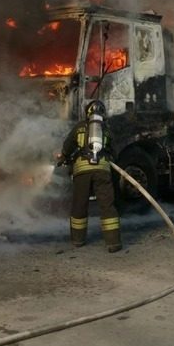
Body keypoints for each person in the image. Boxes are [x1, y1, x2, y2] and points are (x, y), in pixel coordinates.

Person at [59, 100, 122, 252]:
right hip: (102, 170)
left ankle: (78, 240)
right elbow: (115, 152)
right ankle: (113, 243)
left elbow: (67, 146)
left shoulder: (79, 127)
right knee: (107, 206)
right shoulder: (106, 130)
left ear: (87, 113)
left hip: (82, 171)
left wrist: (64, 157)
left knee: (79, 204)